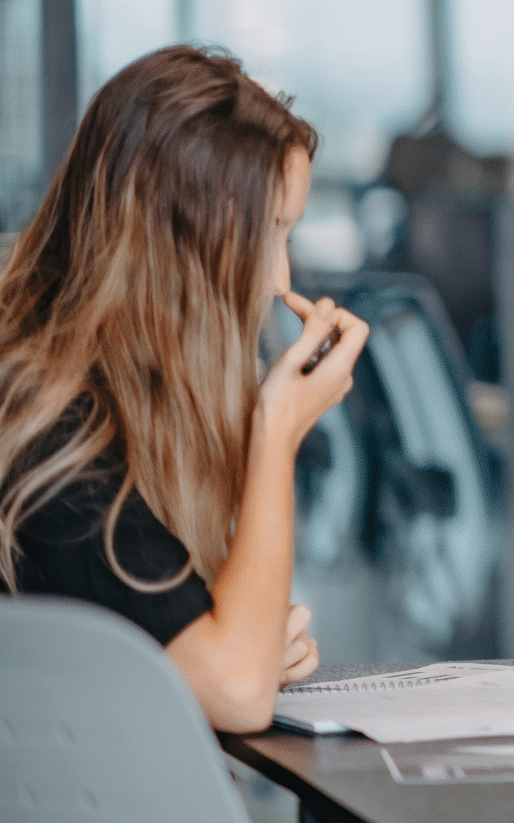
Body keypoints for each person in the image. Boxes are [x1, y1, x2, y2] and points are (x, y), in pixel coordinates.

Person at [0, 46, 369, 733]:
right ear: (178, 242)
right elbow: (235, 693)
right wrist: (277, 429)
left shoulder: (95, 395)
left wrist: (246, 645)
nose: (278, 280)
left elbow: (211, 665)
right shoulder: (52, 433)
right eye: (267, 234)